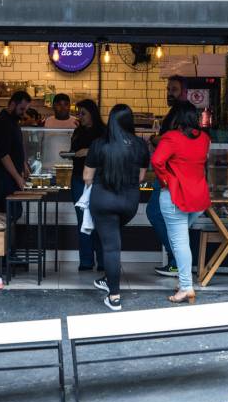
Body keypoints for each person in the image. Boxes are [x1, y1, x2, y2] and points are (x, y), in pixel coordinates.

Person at [84, 104, 150, 311]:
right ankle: (107, 279)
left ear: (111, 120)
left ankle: (114, 297)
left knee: (111, 247)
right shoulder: (140, 145)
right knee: (112, 239)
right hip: (129, 203)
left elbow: (87, 177)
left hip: (103, 201)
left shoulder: (98, 144)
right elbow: (140, 177)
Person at [151, 101, 211, 304]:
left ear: (176, 118)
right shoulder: (204, 138)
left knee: (180, 243)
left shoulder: (171, 138)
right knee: (181, 241)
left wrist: (166, 179)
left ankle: (186, 287)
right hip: (198, 198)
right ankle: (184, 283)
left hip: (175, 196)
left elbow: (157, 161)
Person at [146, 75, 188, 278]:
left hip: (170, 173)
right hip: (171, 172)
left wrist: (155, 138)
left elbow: (175, 137)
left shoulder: (182, 111)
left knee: (154, 212)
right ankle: (177, 260)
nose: (169, 93)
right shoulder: (177, 111)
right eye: (168, 89)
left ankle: (176, 260)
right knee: (164, 216)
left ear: (184, 91)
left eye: (174, 89)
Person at [71, 99, 106, 271]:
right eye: (78, 113)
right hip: (78, 178)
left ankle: (103, 261)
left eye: (83, 113)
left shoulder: (103, 131)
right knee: (82, 222)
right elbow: (74, 153)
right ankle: (86, 261)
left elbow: (109, 154)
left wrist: (88, 151)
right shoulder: (78, 131)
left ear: (93, 113)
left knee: (99, 220)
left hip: (98, 181)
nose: (80, 116)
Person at [0, 90, 31, 213]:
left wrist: (24, 165)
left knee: (15, 212)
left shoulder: (13, 120)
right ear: (12, 104)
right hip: (3, 177)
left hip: (11, 176)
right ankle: (2, 233)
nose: (24, 113)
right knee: (7, 213)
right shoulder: (2, 122)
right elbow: (4, 155)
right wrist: (18, 177)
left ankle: (9, 232)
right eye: (22, 109)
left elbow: (16, 147)